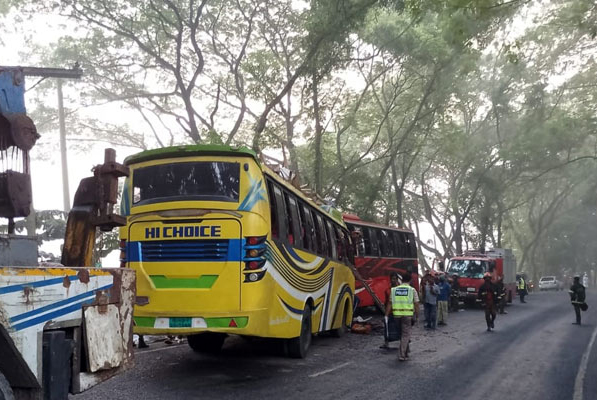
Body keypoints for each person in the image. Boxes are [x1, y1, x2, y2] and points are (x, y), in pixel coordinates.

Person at [386, 272, 419, 361]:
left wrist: (386, 315)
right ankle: (402, 354)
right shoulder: (412, 290)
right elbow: (416, 304)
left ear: (402, 279)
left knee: (402, 334)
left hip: (396, 316)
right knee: (405, 334)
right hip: (407, 316)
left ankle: (406, 351)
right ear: (410, 280)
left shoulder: (394, 290)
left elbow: (389, 303)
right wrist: (417, 315)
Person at [381, 272, 402, 349]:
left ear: (397, 279)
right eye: (392, 279)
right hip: (390, 312)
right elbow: (387, 302)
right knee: (387, 327)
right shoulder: (387, 290)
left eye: (395, 279)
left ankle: (402, 343)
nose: (393, 280)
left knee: (399, 328)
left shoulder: (400, 289)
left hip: (398, 312)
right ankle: (386, 343)